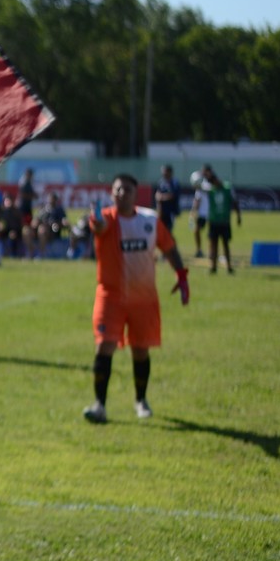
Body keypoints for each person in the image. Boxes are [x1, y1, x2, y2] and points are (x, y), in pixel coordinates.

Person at [83, 174, 189, 424]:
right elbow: (98, 227)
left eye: (127, 190)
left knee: (141, 350)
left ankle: (141, 400)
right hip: (110, 297)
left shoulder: (149, 220)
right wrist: (95, 219)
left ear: (135, 193)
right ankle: (99, 405)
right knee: (104, 346)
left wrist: (182, 276)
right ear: (112, 193)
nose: (122, 194)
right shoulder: (106, 218)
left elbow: (169, 247)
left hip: (144, 299)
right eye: (117, 190)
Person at [202, 167, 241, 274]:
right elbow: (199, 187)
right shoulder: (211, 190)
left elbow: (235, 202)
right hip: (213, 221)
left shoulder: (227, 188)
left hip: (224, 221)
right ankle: (213, 267)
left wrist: (238, 216)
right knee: (213, 244)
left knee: (225, 244)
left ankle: (229, 267)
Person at [34, 192, 69, 258]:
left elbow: (64, 221)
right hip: (44, 230)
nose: (51, 201)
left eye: (53, 199)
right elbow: (36, 221)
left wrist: (61, 223)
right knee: (42, 229)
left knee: (43, 230)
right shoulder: (43, 210)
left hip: (55, 231)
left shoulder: (59, 210)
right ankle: (42, 253)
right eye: (50, 199)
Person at [188, 168, 209, 259]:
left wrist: (193, 212)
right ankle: (200, 250)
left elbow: (197, 202)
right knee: (197, 231)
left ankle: (203, 250)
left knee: (200, 232)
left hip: (205, 214)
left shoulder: (203, 188)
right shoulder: (201, 189)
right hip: (204, 214)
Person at [154, 164, 181, 235]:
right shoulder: (161, 182)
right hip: (161, 211)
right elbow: (157, 193)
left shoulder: (174, 182)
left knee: (168, 231)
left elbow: (172, 195)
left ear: (170, 172)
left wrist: (161, 197)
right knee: (160, 230)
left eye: (165, 171)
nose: (163, 173)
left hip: (170, 211)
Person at [18, 167, 38, 258]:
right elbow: (24, 195)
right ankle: (30, 250)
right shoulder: (24, 183)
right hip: (24, 210)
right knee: (26, 230)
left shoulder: (28, 183)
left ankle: (30, 250)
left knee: (28, 230)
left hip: (27, 210)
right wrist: (33, 195)